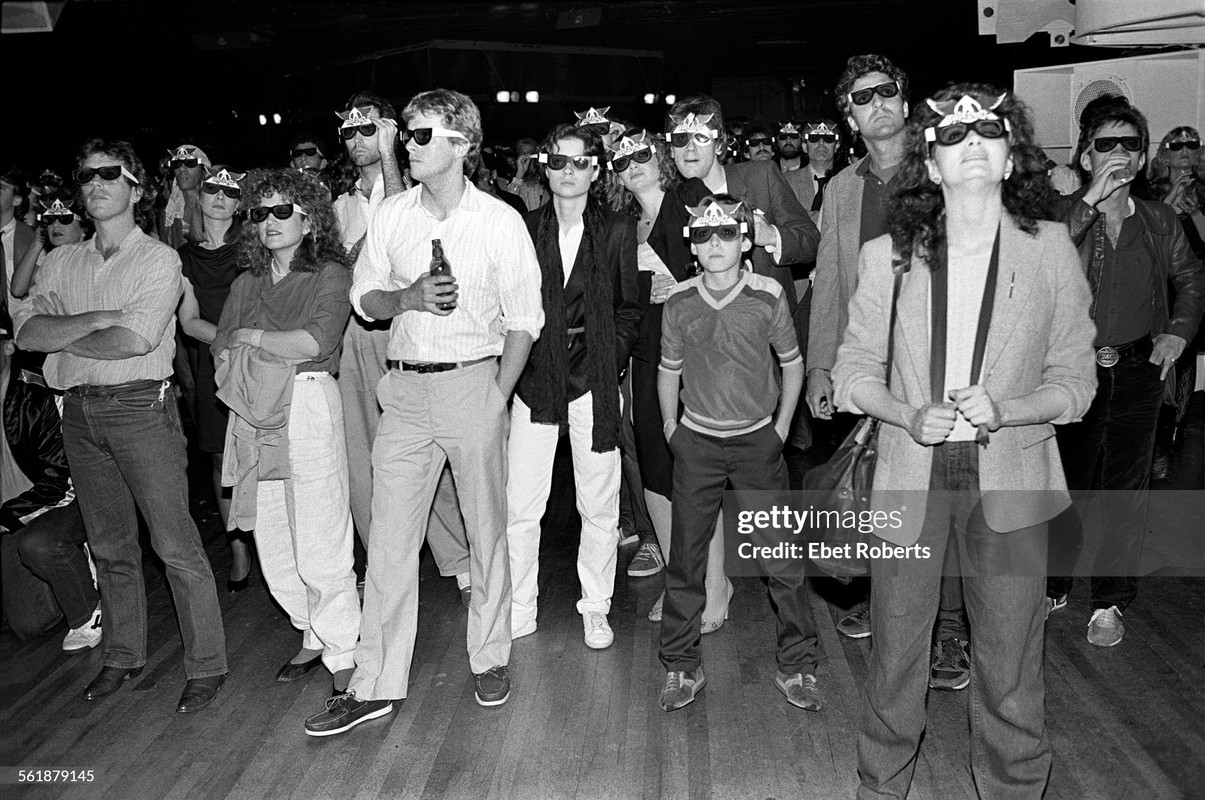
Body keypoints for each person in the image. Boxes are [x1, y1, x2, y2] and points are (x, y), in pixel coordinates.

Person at [833, 84, 1097, 799]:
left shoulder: (1049, 254)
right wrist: (900, 410)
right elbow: (848, 374)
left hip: (1010, 474)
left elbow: (1076, 384)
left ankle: (1013, 788)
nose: (971, 141)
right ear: (930, 159)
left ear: (1012, 158)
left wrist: (1006, 408)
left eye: (988, 129)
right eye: (952, 135)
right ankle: (880, 786)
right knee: (894, 661)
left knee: (1011, 665)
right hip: (909, 473)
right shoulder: (886, 255)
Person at [304, 89, 543, 737]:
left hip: (474, 385)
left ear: (461, 143)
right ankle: (375, 681)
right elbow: (364, 302)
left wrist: (496, 396)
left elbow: (525, 322)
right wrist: (406, 296)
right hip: (405, 393)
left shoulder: (500, 221)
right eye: (404, 135)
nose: (405, 144)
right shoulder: (393, 216)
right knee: (387, 540)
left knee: (485, 531)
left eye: (419, 134)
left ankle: (490, 655)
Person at [14, 139, 228, 713]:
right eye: (87, 176)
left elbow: (137, 340)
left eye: (111, 174)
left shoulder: (159, 259)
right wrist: (101, 318)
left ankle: (206, 664)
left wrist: (68, 331)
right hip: (78, 411)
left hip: (141, 408)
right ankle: (122, 656)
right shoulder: (62, 261)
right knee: (109, 545)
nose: (96, 183)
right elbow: (28, 335)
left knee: (174, 543)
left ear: (136, 186)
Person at [1045, 97, 1205, 646]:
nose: (1119, 154)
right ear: (1086, 155)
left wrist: (1179, 332)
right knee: (1067, 486)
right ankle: (1052, 584)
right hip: (1071, 375)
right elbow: (1041, 261)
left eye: (1130, 144)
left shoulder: (1162, 220)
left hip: (1140, 371)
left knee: (1127, 492)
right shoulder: (1061, 210)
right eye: (1105, 144)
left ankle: (1111, 600)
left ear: (1142, 158)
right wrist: (1088, 201)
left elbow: (1192, 280)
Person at [656, 195, 814, 713]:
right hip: (697, 442)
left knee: (782, 559)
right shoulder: (679, 301)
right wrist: (670, 428)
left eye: (726, 233)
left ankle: (797, 666)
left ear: (746, 240)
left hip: (756, 442)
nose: (715, 244)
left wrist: (781, 428)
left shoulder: (768, 295)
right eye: (703, 236)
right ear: (693, 246)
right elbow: (668, 371)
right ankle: (681, 666)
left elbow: (792, 365)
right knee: (686, 559)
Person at [213, 168, 361, 692]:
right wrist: (255, 344)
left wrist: (253, 338)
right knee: (270, 532)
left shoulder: (330, 273)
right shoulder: (246, 280)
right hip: (251, 411)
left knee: (320, 529)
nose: (269, 222)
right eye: (259, 214)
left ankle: (344, 646)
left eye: (281, 212)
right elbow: (219, 348)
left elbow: (315, 343)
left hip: (308, 403)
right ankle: (309, 632)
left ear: (308, 217)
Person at [331, 91, 472, 602]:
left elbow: (394, 225)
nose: (357, 139)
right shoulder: (339, 203)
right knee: (366, 450)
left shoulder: (418, 191)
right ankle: (384, 558)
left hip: (409, 327)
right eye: (348, 131)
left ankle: (459, 559)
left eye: (369, 128)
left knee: (428, 444)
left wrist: (391, 153)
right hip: (356, 330)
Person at [506, 123, 641, 648]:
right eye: (558, 162)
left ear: (595, 169)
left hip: (596, 375)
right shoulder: (524, 225)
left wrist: (611, 356)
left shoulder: (616, 229)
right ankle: (520, 606)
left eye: (579, 162)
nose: (568, 172)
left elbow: (630, 306)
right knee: (522, 504)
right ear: (546, 166)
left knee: (600, 502)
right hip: (536, 375)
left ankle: (595, 605)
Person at [609, 128, 732, 627]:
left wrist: (682, 284)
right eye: (621, 160)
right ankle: (684, 580)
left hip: (695, 352)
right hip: (645, 357)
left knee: (697, 470)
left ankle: (717, 585)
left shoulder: (689, 199)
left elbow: (725, 262)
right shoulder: (621, 223)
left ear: (658, 157)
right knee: (656, 470)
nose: (632, 164)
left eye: (640, 154)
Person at [176, 167, 250, 591]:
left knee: (266, 451)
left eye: (230, 191)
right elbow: (188, 322)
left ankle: (277, 539)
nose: (220, 197)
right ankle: (237, 544)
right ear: (199, 199)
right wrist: (229, 341)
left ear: (239, 203)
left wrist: (250, 342)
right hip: (214, 363)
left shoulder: (254, 245)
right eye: (212, 189)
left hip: (261, 358)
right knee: (222, 458)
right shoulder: (184, 258)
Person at [8, 191, 94, 300]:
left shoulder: (93, 259)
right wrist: (37, 242)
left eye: (65, 218)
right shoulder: (49, 261)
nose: (56, 225)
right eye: (50, 219)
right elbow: (17, 290)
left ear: (84, 229)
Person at [161, 143, 211, 248]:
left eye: (190, 163)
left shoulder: (212, 209)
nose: (182, 169)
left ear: (203, 170)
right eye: (177, 164)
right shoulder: (168, 214)